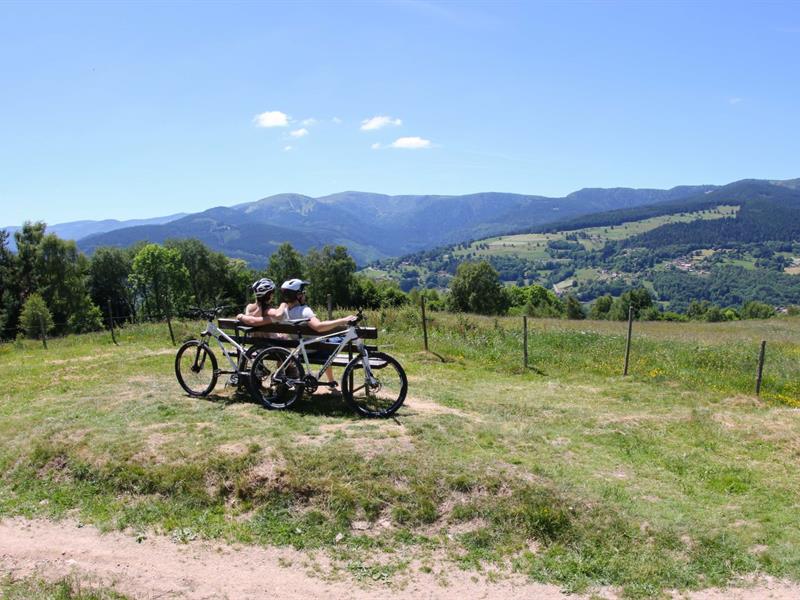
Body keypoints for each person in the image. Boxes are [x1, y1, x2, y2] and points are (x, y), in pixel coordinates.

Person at [280, 278, 357, 390]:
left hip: (302, 350)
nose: (305, 295)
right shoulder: (304, 311)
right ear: (298, 295)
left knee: (328, 342)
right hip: (316, 350)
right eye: (303, 293)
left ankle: (331, 382)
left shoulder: (284, 312)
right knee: (339, 338)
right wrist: (343, 320)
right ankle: (331, 382)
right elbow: (319, 327)